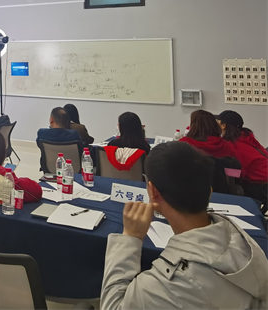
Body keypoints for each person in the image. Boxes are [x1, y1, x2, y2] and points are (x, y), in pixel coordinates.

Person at [101, 141, 268, 309]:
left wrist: (131, 237)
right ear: (209, 191)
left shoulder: (169, 284)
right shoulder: (240, 237)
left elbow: (112, 306)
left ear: (153, 192)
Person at [217, 110, 267, 204]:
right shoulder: (246, 137)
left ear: (223, 125)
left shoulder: (232, 145)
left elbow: (239, 173)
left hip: (259, 186)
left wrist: (220, 170)